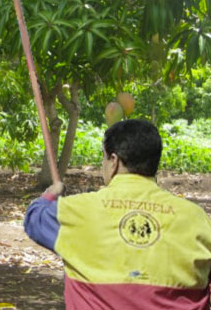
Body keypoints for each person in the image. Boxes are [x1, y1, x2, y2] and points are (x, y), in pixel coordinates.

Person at [24, 119, 211, 309]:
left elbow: (35, 218)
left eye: (103, 158)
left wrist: (50, 194)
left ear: (114, 161)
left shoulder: (75, 211)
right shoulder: (197, 218)